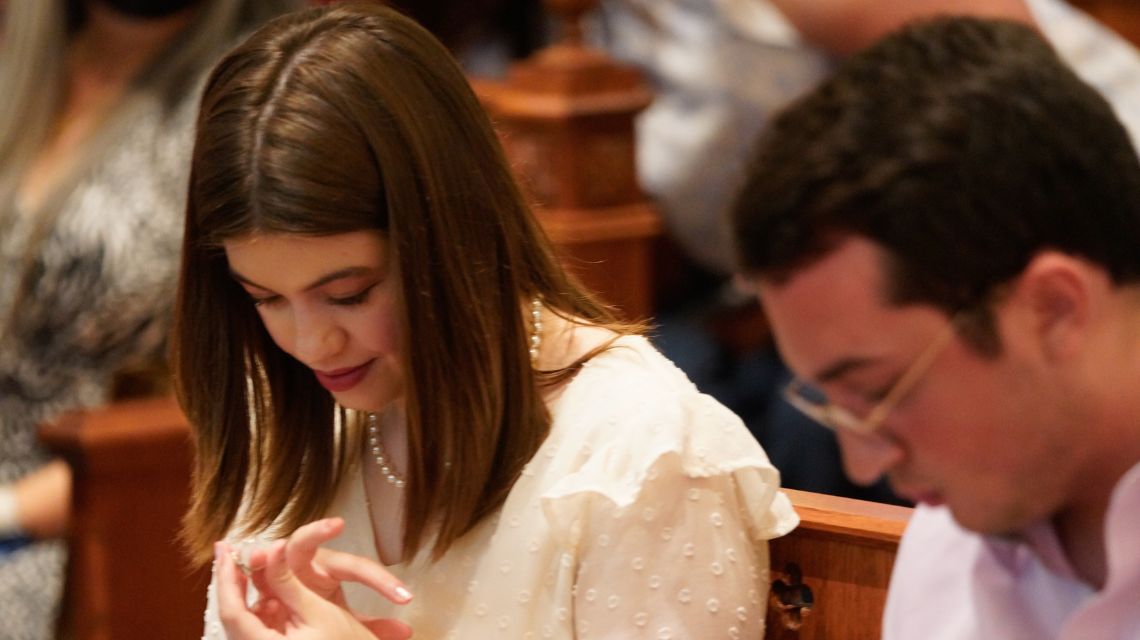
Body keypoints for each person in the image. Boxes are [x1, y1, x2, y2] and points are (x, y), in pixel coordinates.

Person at [175, 4, 797, 638]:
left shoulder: (640, 451)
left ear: (451, 240)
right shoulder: (298, 415)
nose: (310, 344)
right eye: (265, 298)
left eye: (349, 295)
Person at [732, 16, 1140, 639]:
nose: (864, 465)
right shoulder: (949, 540)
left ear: (1053, 309)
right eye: (832, 407)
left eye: (876, 392)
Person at [0, 0, 297, 637]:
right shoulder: (21, 59)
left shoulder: (252, 93)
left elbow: (256, 386)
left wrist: (11, 511)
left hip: (85, 513)